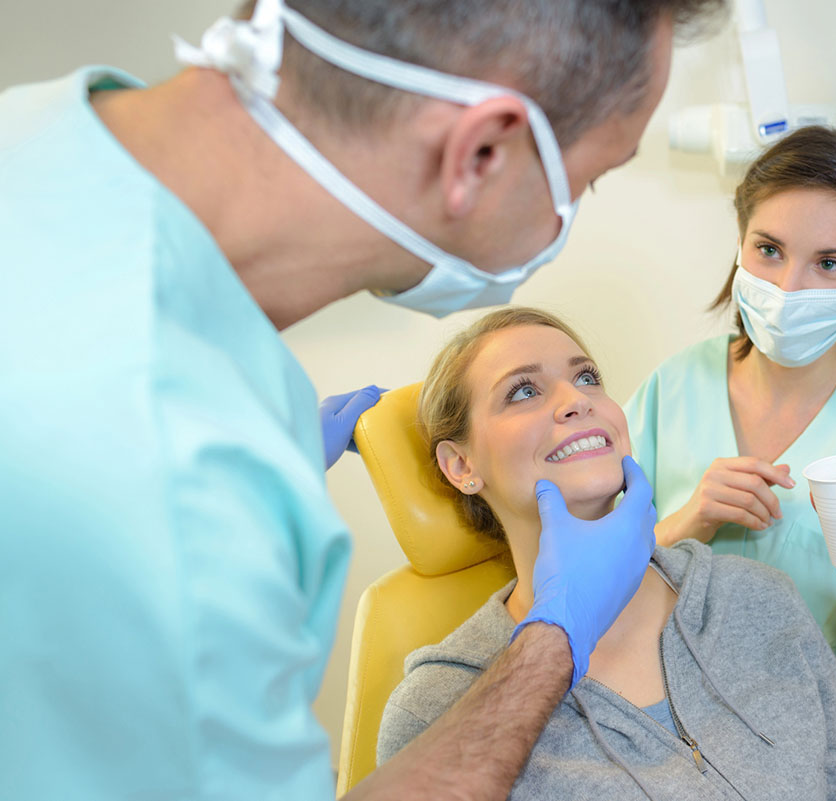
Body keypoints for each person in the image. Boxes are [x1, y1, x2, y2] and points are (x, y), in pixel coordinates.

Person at [0, 2, 725, 800]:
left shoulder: (37, 129)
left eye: (585, 376)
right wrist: (554, 638)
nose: (574, 402)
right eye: (588, 178)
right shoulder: (177, 480)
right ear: (480, 151)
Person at [375, 306, 836, 800]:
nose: (576, 400)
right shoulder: (436, 708)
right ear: (461, 466)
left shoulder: (757, 597)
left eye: (586, 378)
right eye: (522, 392)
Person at [623, 126, 836, 801]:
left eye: (830, 263)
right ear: (740, 241)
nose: (788, 286)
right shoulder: (672, 388)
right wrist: (688, 522)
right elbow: (594, 591)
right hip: (680, 749)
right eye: (770, 250)